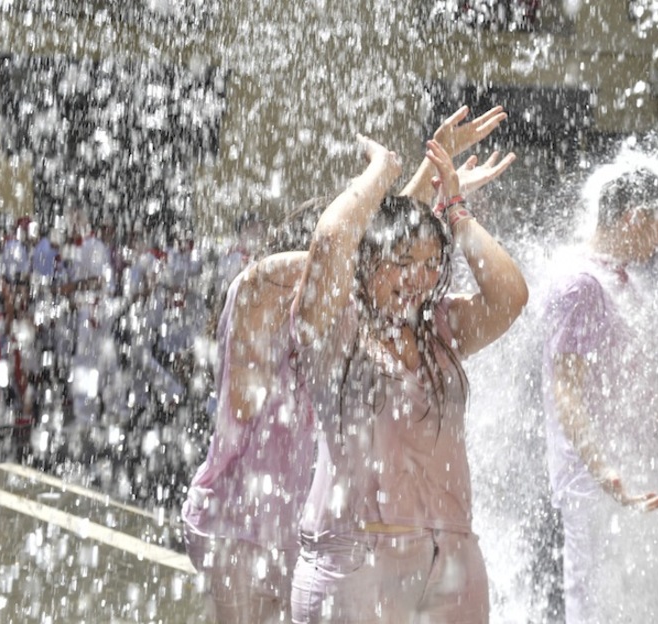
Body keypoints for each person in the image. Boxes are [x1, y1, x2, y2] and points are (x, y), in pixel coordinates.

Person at [183, 106, 516, 623]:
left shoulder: (358, 314)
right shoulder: (263, 287)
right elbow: (346, 253)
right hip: (242, 520)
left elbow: (378, 258)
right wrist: (399, 176)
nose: (412, 275)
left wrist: (438, 175)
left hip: (310, 519)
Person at [288, 132, 526, 623]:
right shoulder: (334, 331)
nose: (418, 278)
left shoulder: (439, 328)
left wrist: (456, 211)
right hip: (358, 561)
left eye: (430, 264)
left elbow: (509, 295)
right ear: (366, 263)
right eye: (401, 263)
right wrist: (382, 170)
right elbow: (333, 239)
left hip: (453, 556)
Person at [540, 161, 658, 623]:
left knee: (630, 599)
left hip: (626, 474)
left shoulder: (620, 279)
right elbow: (566, 389)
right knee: (594, 601)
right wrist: (605, 471)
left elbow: (639, 386)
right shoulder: (579, 283)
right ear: (635, 217)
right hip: (595, 483)